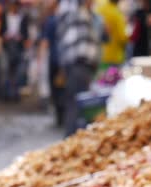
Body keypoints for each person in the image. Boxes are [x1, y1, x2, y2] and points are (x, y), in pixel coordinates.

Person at [57, 0, 100, 137]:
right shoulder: (80, 15)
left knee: (74, 104)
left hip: (75, 66)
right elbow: (84, 46)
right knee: (77, 106)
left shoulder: (72, 14)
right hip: (79, 66)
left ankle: (71, 138)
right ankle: (71, 139)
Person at [40, 0, 65, 125]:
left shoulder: (52, 20)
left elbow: (45, 42)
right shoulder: (65, 19)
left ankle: (60, 114)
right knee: (62, 88)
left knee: (55, 88)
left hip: (55, 60)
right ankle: (62, 113)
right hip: (65, 60)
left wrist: (41, 59)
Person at [0, 0, 29, 101]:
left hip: (18, 47)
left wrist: (20, 37)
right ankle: (6, 93)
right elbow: (0, 32)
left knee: (17, 72)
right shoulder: (4, 16)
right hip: (6, 47)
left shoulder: (23, 18)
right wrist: (5, 36)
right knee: (5, 70)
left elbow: (26, 34)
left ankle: (15, 93)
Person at [96, 0, 127, 66]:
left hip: (100, 55)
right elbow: (122, 37)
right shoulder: (117, 14)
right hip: (115, 56)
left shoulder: (99, 9)